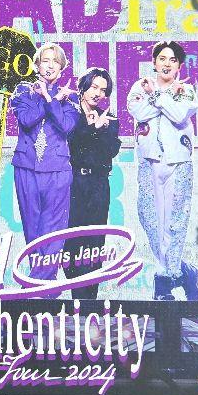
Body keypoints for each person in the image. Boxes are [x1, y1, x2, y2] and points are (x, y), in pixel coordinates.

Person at [127, 41, 198, 301]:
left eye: (172, 60)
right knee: (150, 218)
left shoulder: (186, 90)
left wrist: (157, 97)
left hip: (178, 162)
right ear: (154, 62)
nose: (167, 64)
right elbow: (138, 111)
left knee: (174, 220)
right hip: (149, 161)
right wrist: (163, 101)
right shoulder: (140, 86)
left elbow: (180, 115)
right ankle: (182, 272)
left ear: (179, 66)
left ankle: (163, 280)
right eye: (162, 58)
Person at [9, 43, 77, 279]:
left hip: (58, 169)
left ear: (62, 68)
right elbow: (26, 120)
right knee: (32, 227)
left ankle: (40, 284)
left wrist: (52, 99)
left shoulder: (70, 96)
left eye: (55, 62)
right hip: (26, 166)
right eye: (45, 60)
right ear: (37, 65)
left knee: (54, 228)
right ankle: (42, 282)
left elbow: (66, 126)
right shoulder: (22, 91)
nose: (50, 65)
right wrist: (47, 98)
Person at [64, 67, 122, 298]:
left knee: (95, 242)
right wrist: (92, 129)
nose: (98, 93)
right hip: (74, 182)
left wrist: (101, 129)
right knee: (71, 242)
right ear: (83, 86)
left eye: (103, 90)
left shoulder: (109, 118)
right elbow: (72, 147)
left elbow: (110, 152)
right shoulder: (69, 112)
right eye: (94, 87)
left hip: (99, 184)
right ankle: (77, 297)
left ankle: (90, 302)